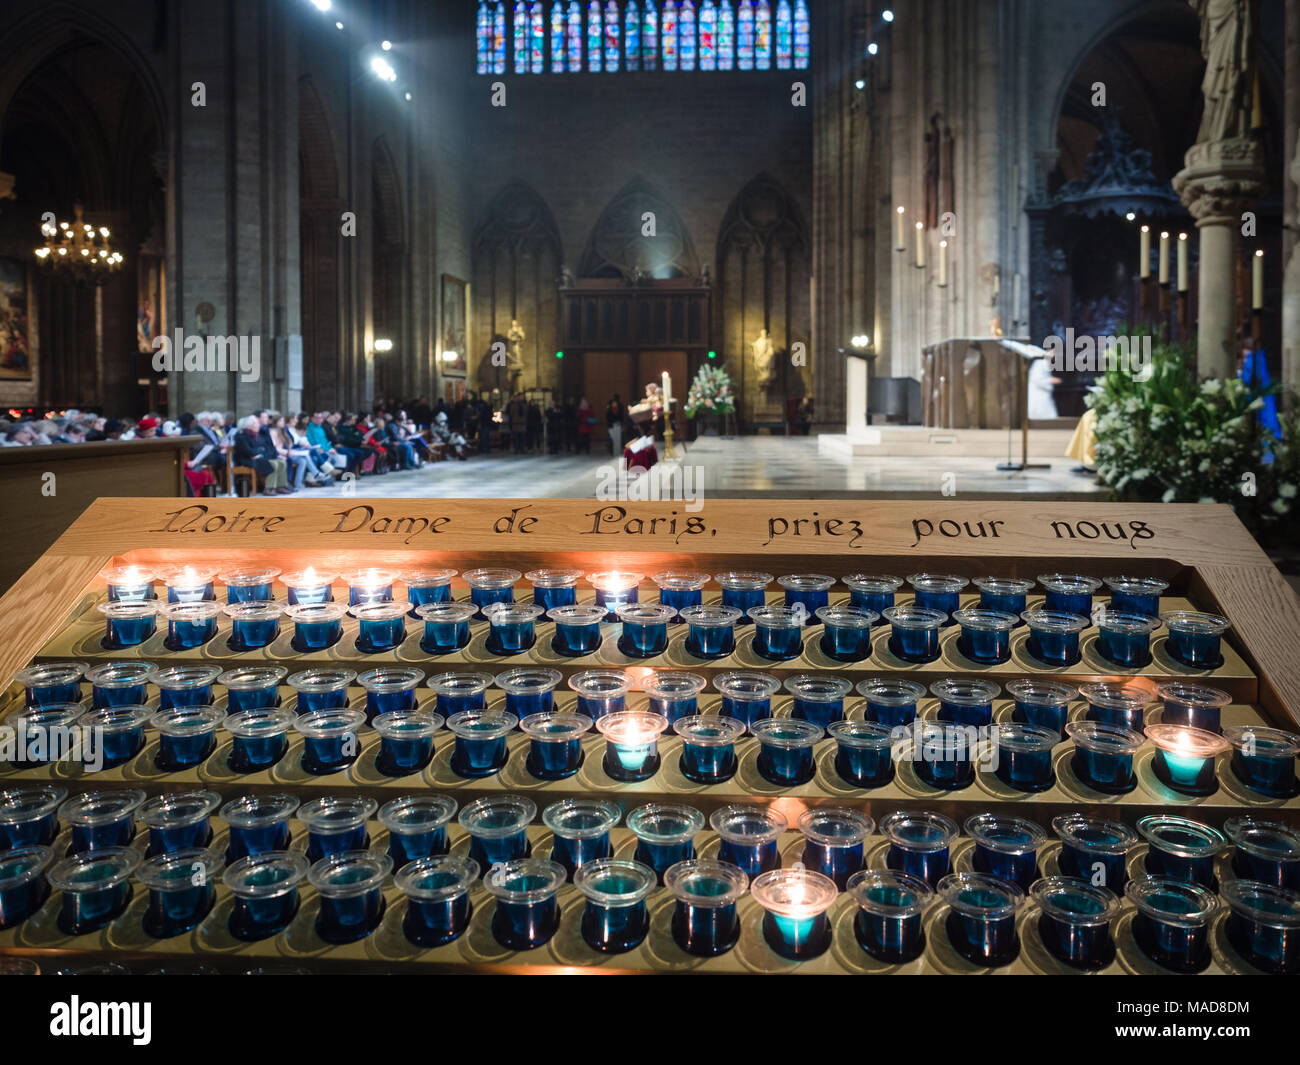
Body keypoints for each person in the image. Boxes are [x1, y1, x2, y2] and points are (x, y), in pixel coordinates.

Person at [234, 415, 288, 494]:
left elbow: (264, 448)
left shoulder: (256, 434)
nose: (258, 425)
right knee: (274, 464)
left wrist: (260, 452)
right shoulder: (241, 436)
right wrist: (260, 451)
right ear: (249, 426)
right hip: (246, 460)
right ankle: (269, 488)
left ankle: (280, 486)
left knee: (282, 462)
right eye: (256, 423)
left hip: (259, 458)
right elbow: (249, 451)